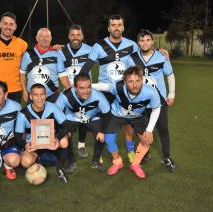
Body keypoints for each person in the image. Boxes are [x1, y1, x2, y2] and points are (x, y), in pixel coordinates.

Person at [80, 15, 139, 163]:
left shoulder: (131, 45)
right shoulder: (99, 46)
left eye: (119, 24)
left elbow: (143, 59)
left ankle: (131, 150)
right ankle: (98, 153)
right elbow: (87, 67)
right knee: (101, 124)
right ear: (108, 28)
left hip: (125, 91)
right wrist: (81, 84)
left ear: (123, 27)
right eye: (113, 25)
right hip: (105, 91)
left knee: (128, 122)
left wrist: (160, 51)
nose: (116, 27)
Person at [125, 29, 176, 171]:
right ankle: (145, 153)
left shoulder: (161, 56)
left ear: (152, 41)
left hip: (158, 99)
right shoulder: (132, 58)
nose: (145, 43)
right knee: (141, 130)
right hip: (140, 100)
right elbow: (128, 79)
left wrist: (171, 94)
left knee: (163, 129)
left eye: (148, 40)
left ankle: (166, 157)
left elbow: (170, 75)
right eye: (142, 40)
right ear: (138, 43)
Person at [102, 66, 161, 178]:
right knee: (108, 139)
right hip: (117, 115)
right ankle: (117, 162)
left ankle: (135, 164)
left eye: (138, 81)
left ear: (142, 80)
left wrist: (149, 130)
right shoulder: (117, 86)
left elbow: (156, 109)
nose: (135, 85)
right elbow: (102, 86)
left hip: (138, 116)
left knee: (147, 139)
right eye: (130, 81)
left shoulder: (151, 92)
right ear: (125, 81)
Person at [15, 84, 72, 183]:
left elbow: (67, 126)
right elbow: (18, 136)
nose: (39, 98)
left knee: (64, 141)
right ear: (31, 96)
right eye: (36, 95)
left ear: (45, 96)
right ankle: (41, 159)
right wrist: (25, 145)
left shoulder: (53, 107)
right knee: (25, 162)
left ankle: (60, 166)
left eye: (42, 94)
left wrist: (57, 138)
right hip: (35, 145)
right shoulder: (23, 114)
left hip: (51, 142)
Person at [55, 73, 110, 173]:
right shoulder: (66, 95)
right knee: (64, 136)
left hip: (92, 117)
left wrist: (102, 131)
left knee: (102, 135)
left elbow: (107, 114)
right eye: (82, 88)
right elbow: (56, 112)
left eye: (88, 87)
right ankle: (71, 161)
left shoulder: (98, 95)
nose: (86, 91)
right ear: (75, 88)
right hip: (72, 117)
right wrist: (63, 129)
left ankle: (96, 161)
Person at [60, 24, 94, 161]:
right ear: (68, 36)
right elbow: (60, 71)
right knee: (68, 120)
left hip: (85, 92)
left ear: (82, 36)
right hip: (68, 91)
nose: (75, 37)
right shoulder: (61, 51)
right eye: (72, 35)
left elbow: (109, 55)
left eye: (78, 34)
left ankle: (81, 145)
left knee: (83, 119)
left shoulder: (91, 50)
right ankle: (66, 145)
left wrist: (157, 50)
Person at [20, 28, 70, 104]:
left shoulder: (57, 55)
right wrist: (24, 91)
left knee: (54, 116)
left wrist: (70, 92)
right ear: (37, 38)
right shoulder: (28, 54)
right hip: (33, 96)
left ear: (51, 38)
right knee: (33, 116)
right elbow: (22, 74)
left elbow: (63, 76)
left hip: (52, 96)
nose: (44, 39)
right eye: (41, 36)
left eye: (47, 36)